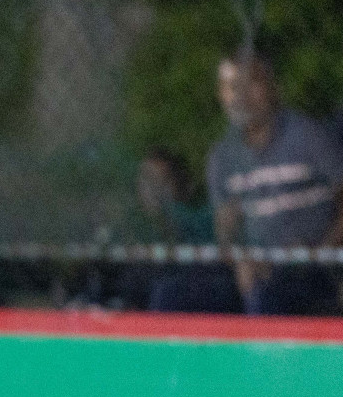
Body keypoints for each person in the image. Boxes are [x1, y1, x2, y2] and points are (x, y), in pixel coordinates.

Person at [207, 50, 343, 315]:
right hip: (258, 273)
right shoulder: (221, 158)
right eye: (232, 87)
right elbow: (225, 231)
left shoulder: (308, 136)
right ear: (221, 96)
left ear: (273, 87)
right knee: (173, 295)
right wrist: (240, 259)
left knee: (268, 296)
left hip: (318, 269)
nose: (242, 96)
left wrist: (318, 255)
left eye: (252, 83)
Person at [123, 147, 239, 313]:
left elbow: (219, 270)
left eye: (161, 181)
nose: (154, 191)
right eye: (147, 181)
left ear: (182, 184)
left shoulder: (205, 221)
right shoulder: (133, 231)